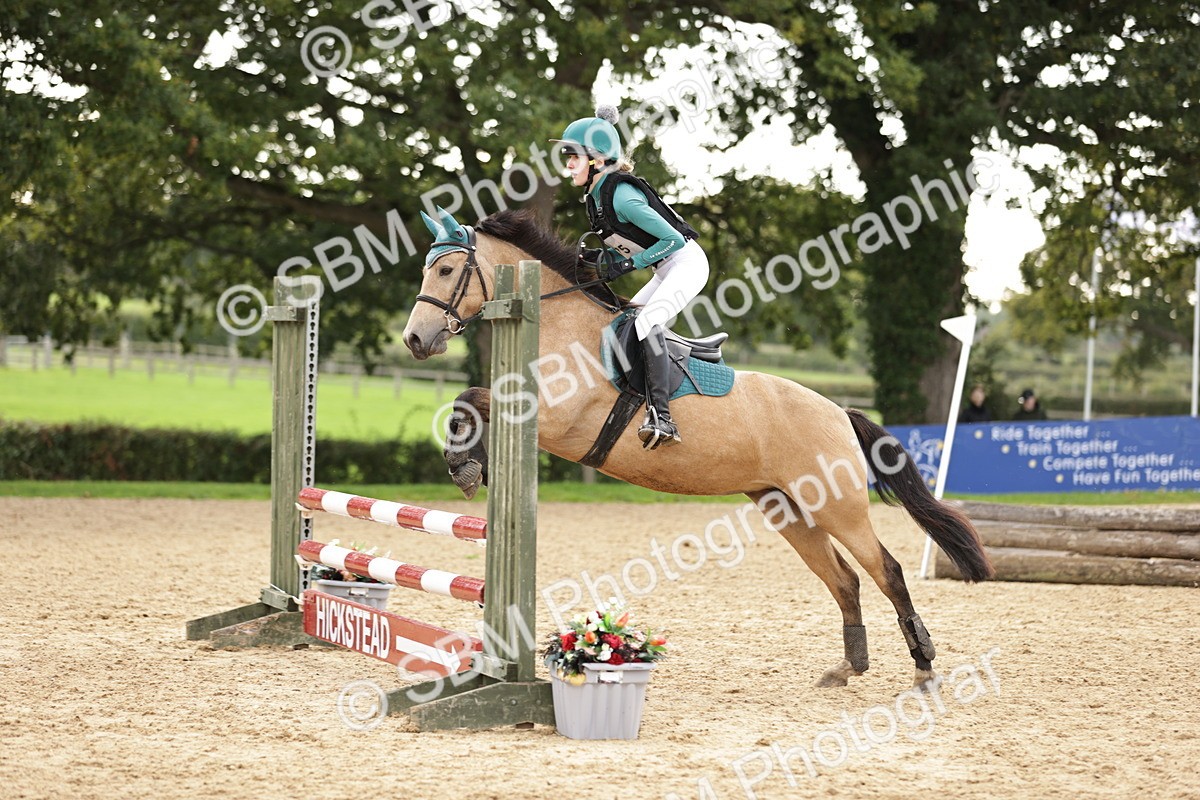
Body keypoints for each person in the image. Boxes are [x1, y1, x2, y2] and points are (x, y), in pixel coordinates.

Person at [550, 105, 711, 450]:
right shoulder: (595, 198)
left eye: (573, 156)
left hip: (686, 263)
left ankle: (663, 418)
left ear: (596, 159)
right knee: (625, 322)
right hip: (665, 266)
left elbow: (674, 240)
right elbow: (628, 245)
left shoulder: (621, 195)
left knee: (646, 322)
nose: (568, 164)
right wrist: (597, 259)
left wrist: (628, 265)